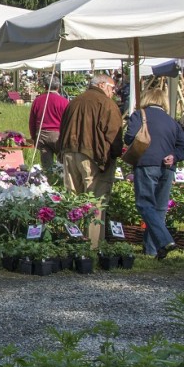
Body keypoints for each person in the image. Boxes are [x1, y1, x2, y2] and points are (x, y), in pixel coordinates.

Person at [59, 73, 124, 248]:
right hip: (94, 157)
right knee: (95, 201)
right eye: (112, 88)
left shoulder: (75, 101)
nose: (113, 92)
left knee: (73, 199)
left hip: (69, 153)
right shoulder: (106, 103)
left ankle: (74, 241)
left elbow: (63, 127)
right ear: (102, 85)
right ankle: (93, 246)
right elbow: (114, 134)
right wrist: (117, 154)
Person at [124, 83, 184, 259]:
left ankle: (165, 241)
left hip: (146, 163)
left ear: (146, 99)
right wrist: (174, 156)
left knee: (144, 204)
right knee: (159, 208)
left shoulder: (139, 115)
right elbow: (182, 145)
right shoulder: (172, 121)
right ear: (163, 101)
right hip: (168, 166)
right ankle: (152, 249)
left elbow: (129, 138)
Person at [29, 76, 70, 174]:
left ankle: (48, 182)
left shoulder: (38, 100)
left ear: (45, 87)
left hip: (42, 135)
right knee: (63, 164)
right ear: (58, 87)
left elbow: (32, 121)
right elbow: (68, 121)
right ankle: (61, 182)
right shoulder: (63, 101)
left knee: (47, 166)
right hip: (58, 135)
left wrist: (34, 137)